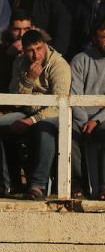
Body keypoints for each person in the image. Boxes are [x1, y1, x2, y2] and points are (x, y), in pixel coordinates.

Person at [1, 29, 71, 200]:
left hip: (51, 116)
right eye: (31, 51)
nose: (36, 54)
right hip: (25, 112)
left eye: (39, 48)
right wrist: (28, 80)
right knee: (1, 124)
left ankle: (37, 186)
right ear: (24, 51)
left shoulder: (59, 65)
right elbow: (15, 99)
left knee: (44, 130)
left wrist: (31, 120)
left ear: (45, 45)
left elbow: (59, 105)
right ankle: (6, 184)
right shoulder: (19, 62)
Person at [70, 19, 105, 199]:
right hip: (80, 115)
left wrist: (96, 121)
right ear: (94, 38)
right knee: (70, 136)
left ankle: (104, 185)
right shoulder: (80, 59)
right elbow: (74, 95)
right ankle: (77, 184)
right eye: (104, 37)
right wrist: (84, 121)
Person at [0, 12, 31, 195]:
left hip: (32, 112)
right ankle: (8, 184)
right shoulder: (4, 52)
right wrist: (6, 57)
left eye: (26, 29)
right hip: (6, 109)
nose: (21, 35)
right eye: (17, 29)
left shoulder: (41, 52)